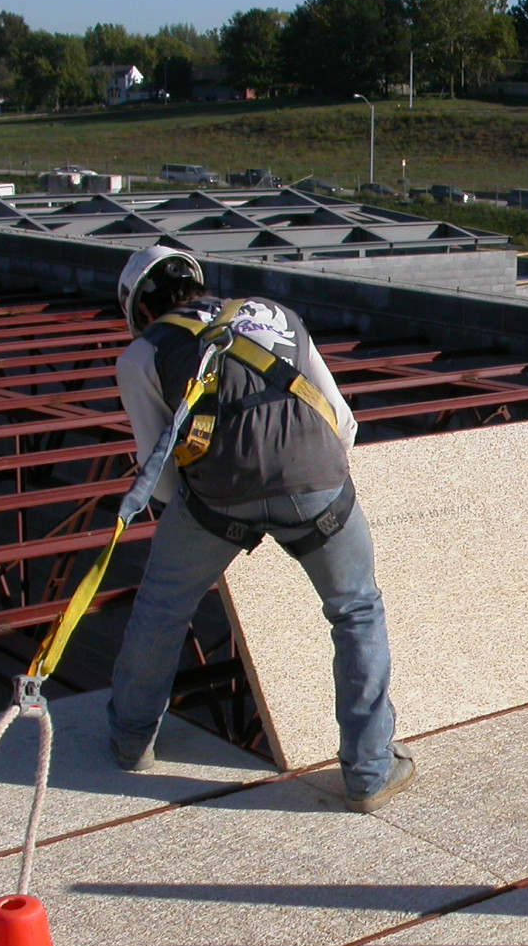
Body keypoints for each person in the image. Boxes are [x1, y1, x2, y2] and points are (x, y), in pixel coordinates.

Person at [107, 245, 414, 812]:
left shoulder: (143, 352)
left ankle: (131, 742)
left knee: (163, 606)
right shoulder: (278, 315)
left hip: (218, 498)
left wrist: (216, 514)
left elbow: (162, 473)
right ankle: (370, 770)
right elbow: (341, 422)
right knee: (357, 611)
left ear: (139, 309)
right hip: (320, 487)